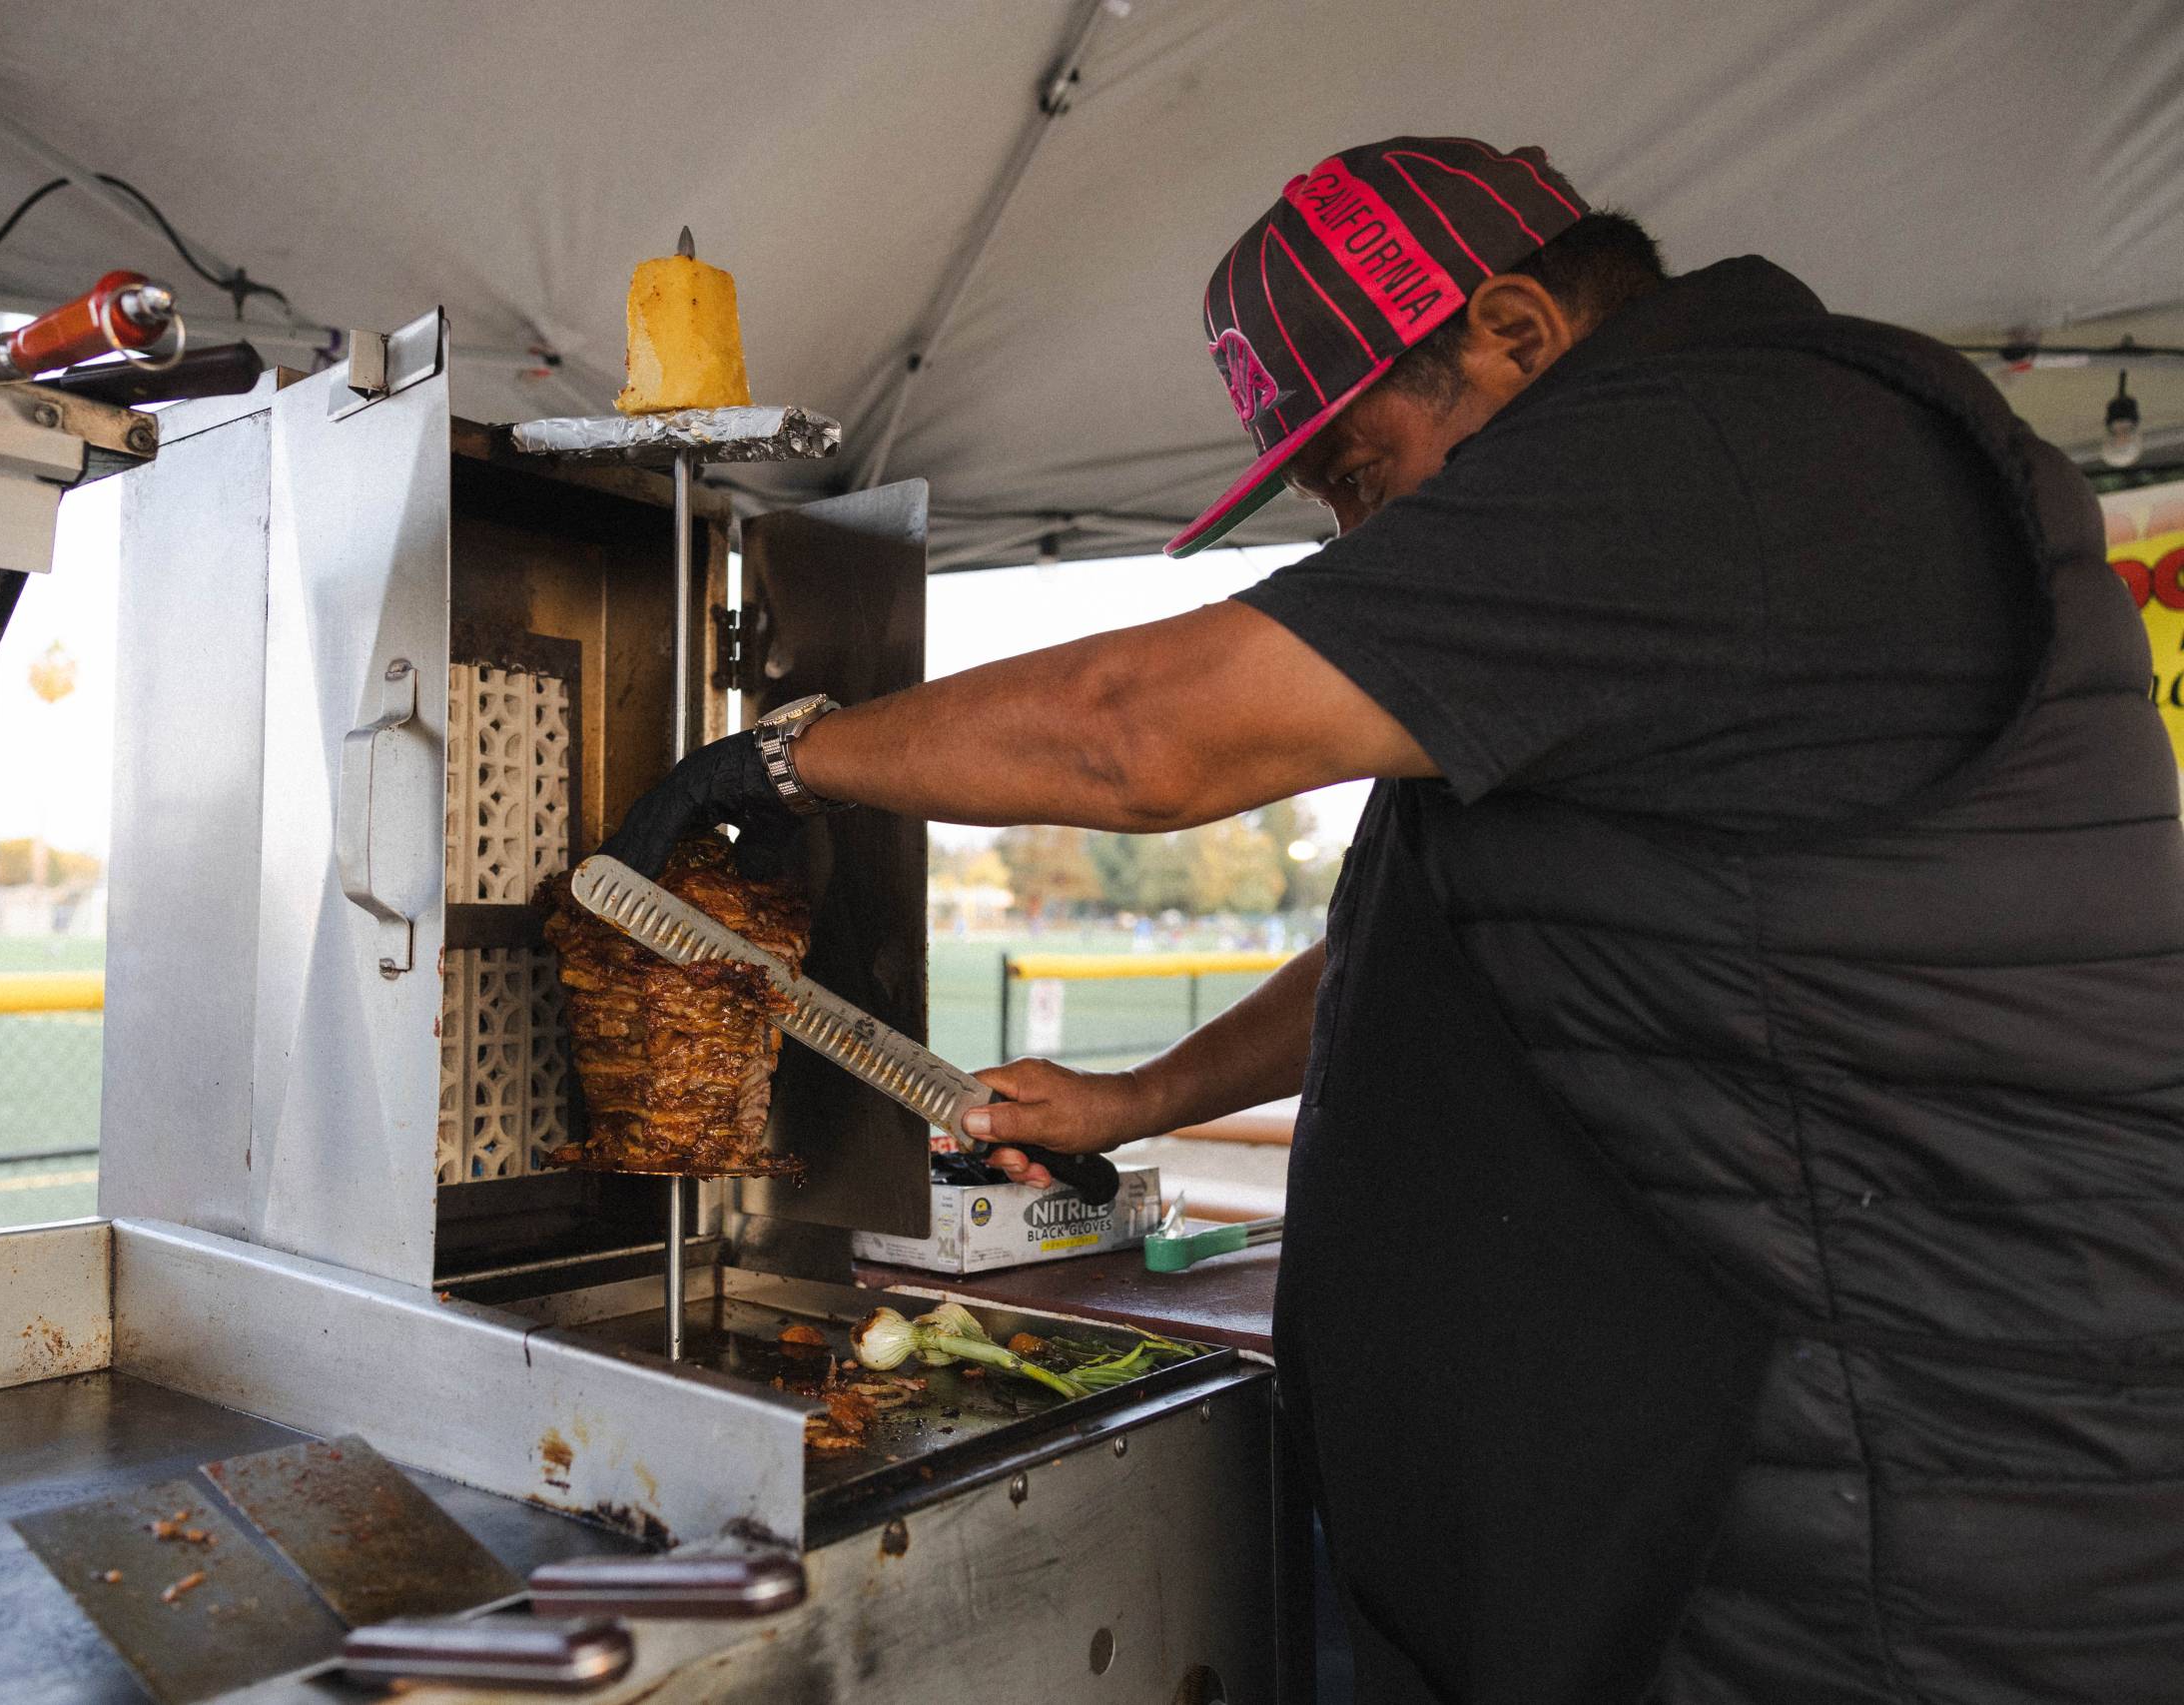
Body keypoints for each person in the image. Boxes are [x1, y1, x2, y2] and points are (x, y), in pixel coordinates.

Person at [604, 136, 2184, 1702]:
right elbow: (1440, 935)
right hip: (1710, 1507)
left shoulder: (1739, 445)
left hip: (1875, 1534)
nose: (1362, 545)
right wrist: (1141, 1096)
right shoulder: (1670, 541)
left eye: (1359, 477)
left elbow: (1132, 732)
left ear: (1514, 332)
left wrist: (778, 756)